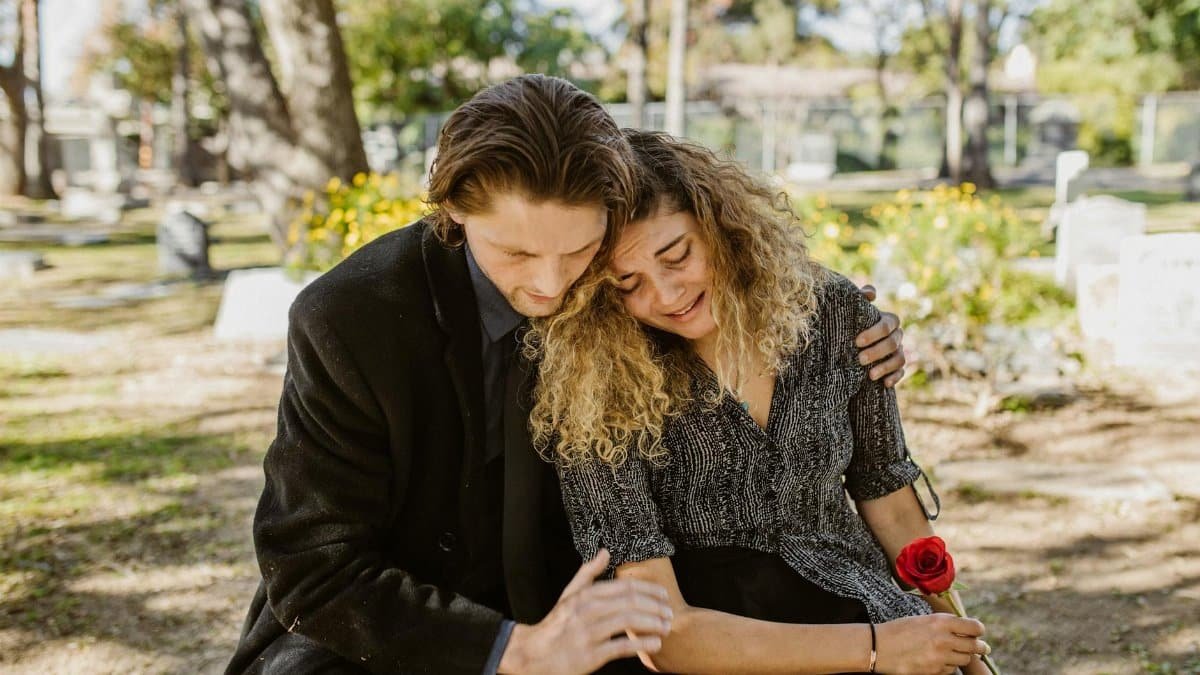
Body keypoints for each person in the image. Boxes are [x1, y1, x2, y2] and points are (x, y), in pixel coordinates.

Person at [225, 75, 910, 674]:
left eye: (580, 249)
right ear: (454, 210)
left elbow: (742, 276)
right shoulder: (350, 318)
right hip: (399, 633)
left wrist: (860, 324)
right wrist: (508, 652)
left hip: (590, 617)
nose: (551, 283)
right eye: (517, 251)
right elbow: (312, 566)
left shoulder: (627, 286)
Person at [528, 130, 992, 675]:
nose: (668, 294)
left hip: (858, 602)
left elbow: (887, 495)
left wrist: (963, 652)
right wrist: (877, 650)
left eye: (677, 256)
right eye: (629, 284)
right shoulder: (592, 388)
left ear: (718, 226)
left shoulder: (835, 314)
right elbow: (663, 634)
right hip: (722, 645)